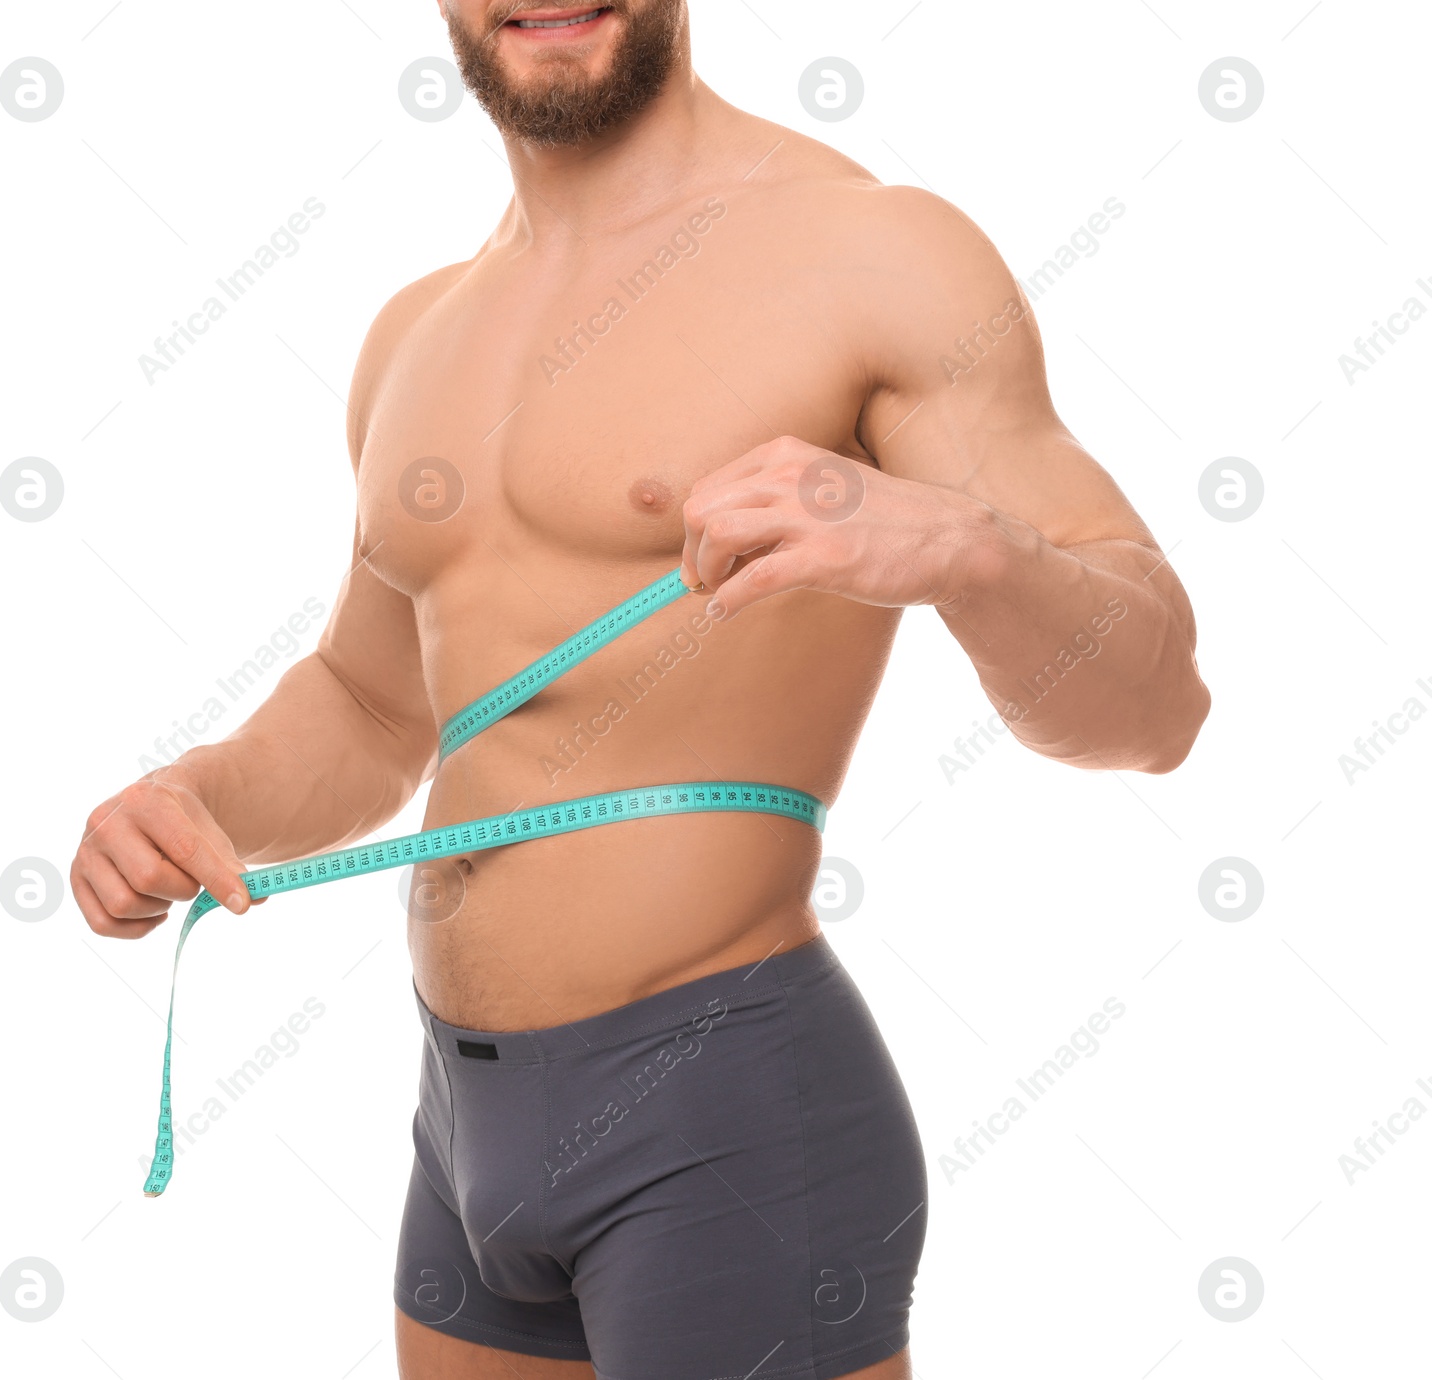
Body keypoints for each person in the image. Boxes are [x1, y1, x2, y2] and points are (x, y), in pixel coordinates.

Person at [72, 3, 1211, 1375]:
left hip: (721, 1109)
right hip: (460, 1117)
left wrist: (971, 550)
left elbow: (1157, 712)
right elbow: (371, 709)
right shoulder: (414, 334)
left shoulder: (870, 256)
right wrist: (200, 796)